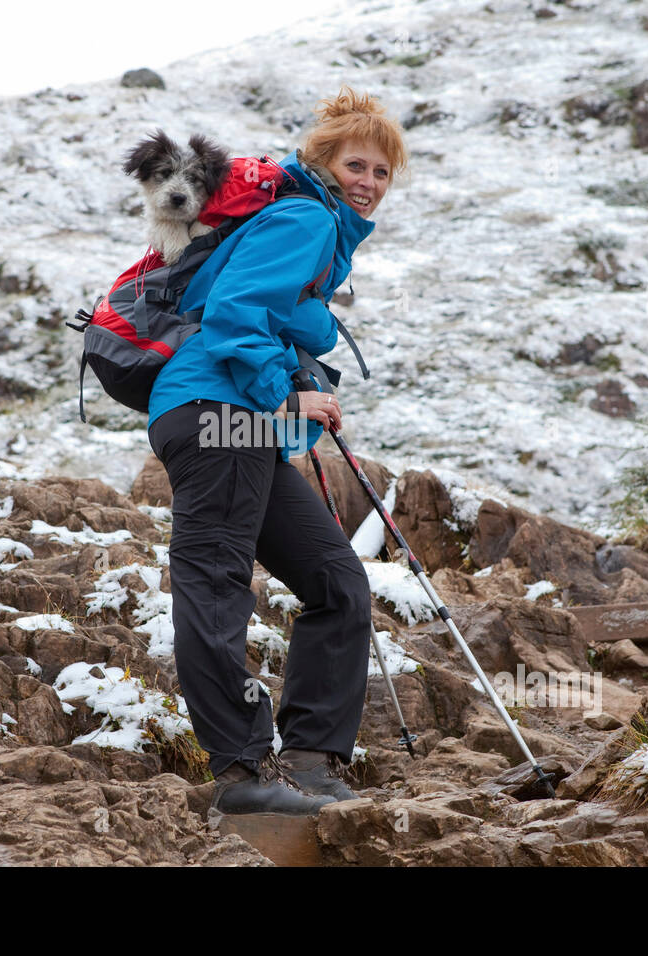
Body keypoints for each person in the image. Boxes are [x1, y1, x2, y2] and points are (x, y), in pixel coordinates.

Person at [146, 87, 408, 815]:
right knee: (216, 580)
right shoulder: (302, 219)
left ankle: (312, 761)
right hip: (213, 417)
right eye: (356, 164)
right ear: (321, 162)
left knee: (337, 582)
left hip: (242, 426)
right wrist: (286, 397)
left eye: (382, 172)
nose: (369, 181)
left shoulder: (317, 232)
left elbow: (256, 311)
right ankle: (242, 775)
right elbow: (231, 317)